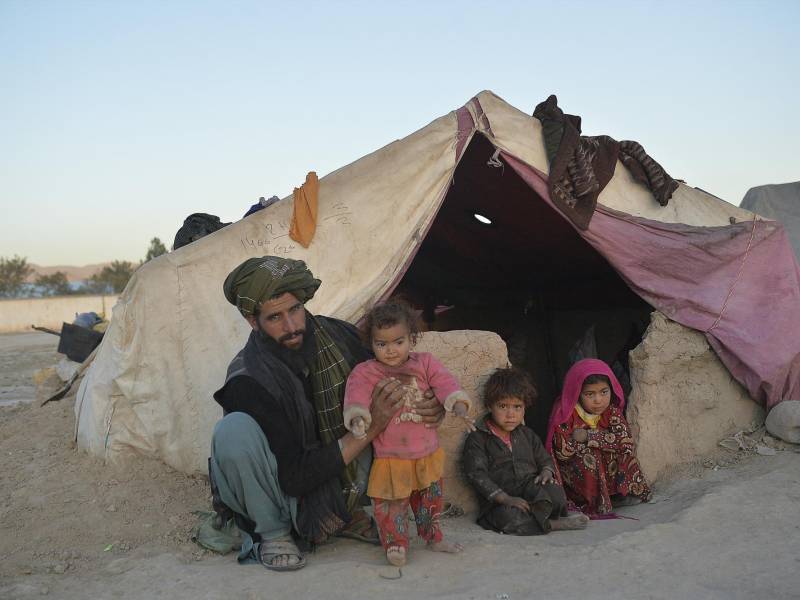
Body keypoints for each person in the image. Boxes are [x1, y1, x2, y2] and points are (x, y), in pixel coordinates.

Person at [209, 256, 445, 571]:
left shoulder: (339, 337)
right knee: (232, 432)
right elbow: (294, 478)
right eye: (275, 317)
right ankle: (275, 535)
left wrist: (433, 404)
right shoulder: (248, 379)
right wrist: (371, 427)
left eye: (294, 310)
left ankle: (346, 515)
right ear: (254, 321)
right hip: (282, 494)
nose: (291, 326)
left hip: (343, 481)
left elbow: (402, 369)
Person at [343, 299, 472, 566]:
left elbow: (444, 383)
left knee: (430, 500)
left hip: (426, 452)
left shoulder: (425, 363)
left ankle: (433, 537)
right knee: (391, 504)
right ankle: (395, 544)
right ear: (371, 343)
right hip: (391, 456)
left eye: (398, 342)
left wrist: (457, 404)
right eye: (382, 344)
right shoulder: (366, 372)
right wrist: (357, 417)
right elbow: (355, 396)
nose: (390, 350)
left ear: (411, 338)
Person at [462, 367, 589, 535]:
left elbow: (544, 458)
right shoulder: (478, 438)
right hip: (499, 500)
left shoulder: (527, 434)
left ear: (525, 407)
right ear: (489, 406)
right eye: (503, 406)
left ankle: (545, 518)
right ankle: (553, 524)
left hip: (530, 489)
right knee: (509, 517)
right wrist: (506, 498)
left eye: (517, 407)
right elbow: (477, 475)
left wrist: (546, 472)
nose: (510, 414)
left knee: (556, 495)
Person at [546, 358, 652, 516]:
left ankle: (622, 494)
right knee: (590, 456)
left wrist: (589, 436)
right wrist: (600, 443)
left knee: (626, 454)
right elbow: (563, 450)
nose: (598, 400)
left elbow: (625, 441)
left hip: (605, 465)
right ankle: (592, 503)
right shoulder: (566, 413)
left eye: (604, 392)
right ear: (577, 392)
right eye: (590, 394)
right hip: (577, 476)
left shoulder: (612, 411)